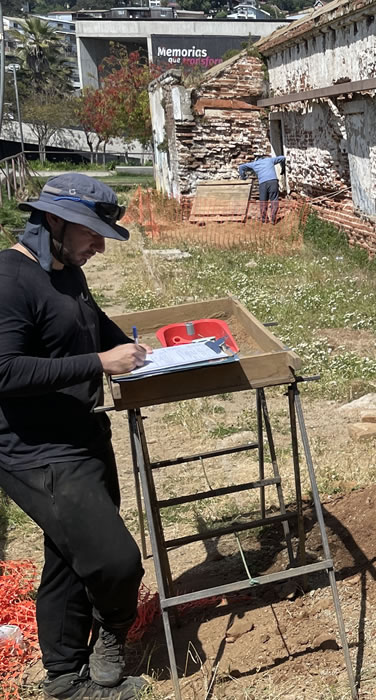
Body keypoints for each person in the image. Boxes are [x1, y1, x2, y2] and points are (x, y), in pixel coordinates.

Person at [0, 174, 152, 699]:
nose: (99, 244)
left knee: (68, 557)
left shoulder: (64, 270)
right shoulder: (9, 278)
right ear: (55, 220)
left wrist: (142, 355)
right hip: (37, 452)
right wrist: (99, 362)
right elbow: (4, 371)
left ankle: (65, 681)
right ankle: (111, 633)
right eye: (91, 231)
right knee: (116, 560)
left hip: (83, 433)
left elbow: (92, 323)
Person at [237, 154, 287, 224]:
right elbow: (282, 158)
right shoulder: (270, 160)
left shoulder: (254, 164)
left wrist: (243, 176)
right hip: (273, 181)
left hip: (263, 183)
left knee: (263, 201)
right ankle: (273, 219)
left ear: (256, 159)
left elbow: (241, 167)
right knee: (274, 200)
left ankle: (264, 220)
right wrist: (282, 168)